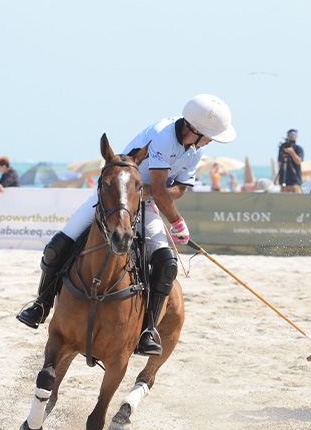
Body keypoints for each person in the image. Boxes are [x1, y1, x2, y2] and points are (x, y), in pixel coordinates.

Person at [17, 94, 236, 356]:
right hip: (112, 199)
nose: (212, 141)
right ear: (196, 130)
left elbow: (177, 190)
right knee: (58, 246)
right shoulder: (163, 136)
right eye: (210, 135)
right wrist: (176, 220)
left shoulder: (195, 151)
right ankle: (41, 305)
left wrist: (152, 198)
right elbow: (160, 187)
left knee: (166, 265)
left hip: (144, 204)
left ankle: (148, 331)